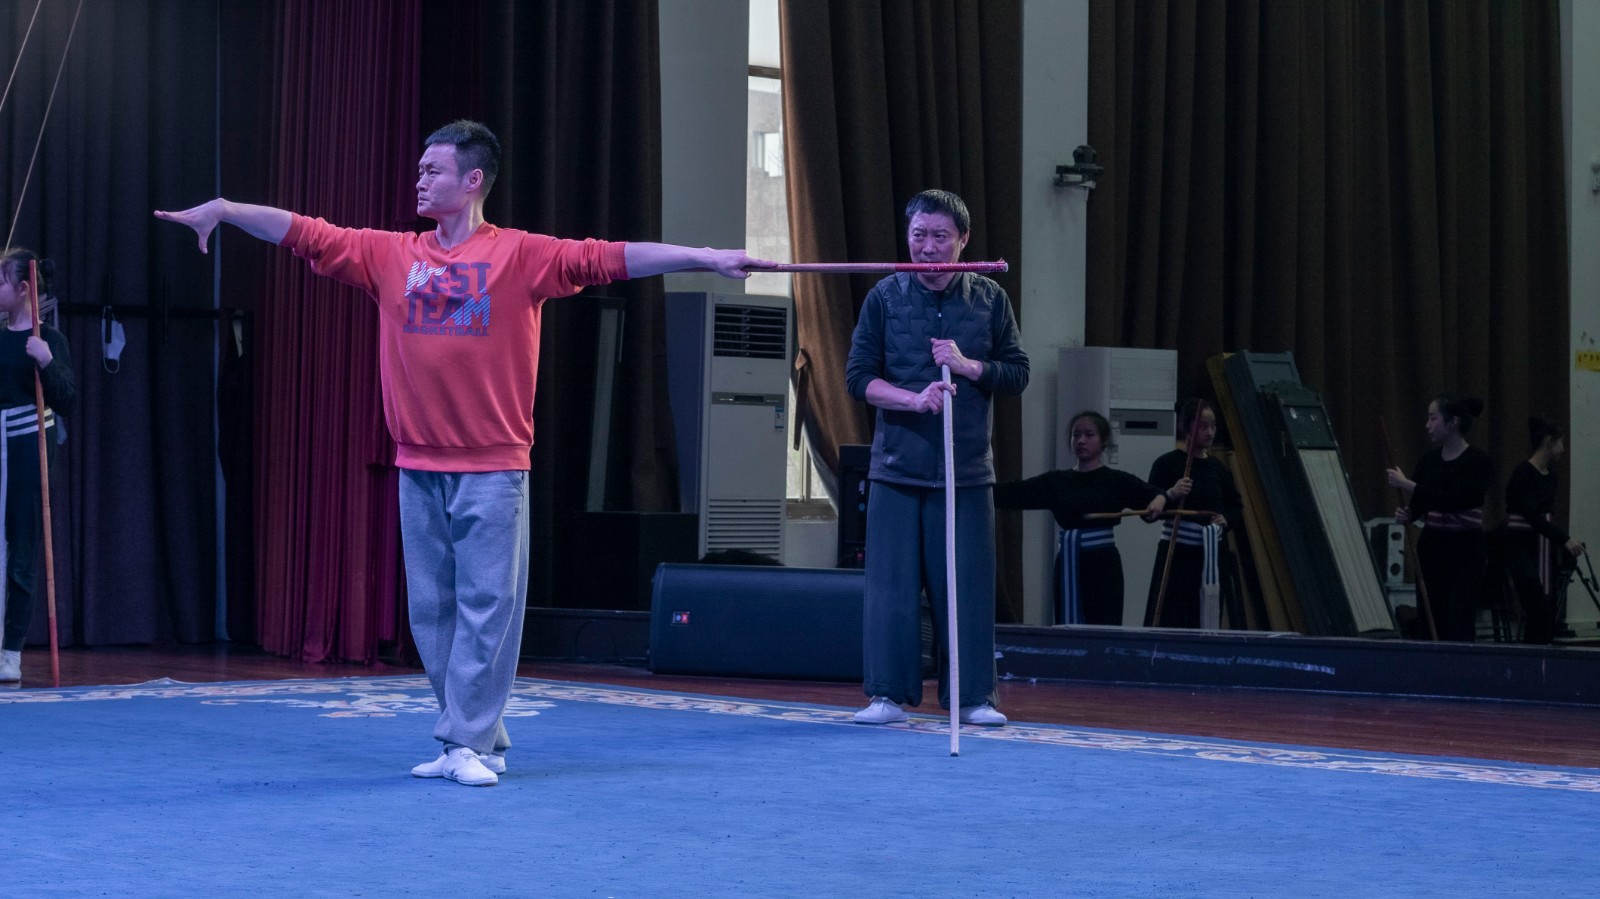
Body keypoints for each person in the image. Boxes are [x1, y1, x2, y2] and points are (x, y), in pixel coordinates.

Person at [156, 120, 769, 785]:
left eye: (434, 170)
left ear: (473, 180)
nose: (419, 179)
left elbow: (612, 257)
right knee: (433, 612)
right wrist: (226, 210)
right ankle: (479, 738)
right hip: (417, 463)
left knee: (487, 606)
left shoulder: (521, 255)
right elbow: (306, 232)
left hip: (492, 464)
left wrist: (706, 257)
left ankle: (463, 741)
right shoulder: (391, 254)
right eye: (419, 169)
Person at [844, 189, 1029, 727]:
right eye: (918, 236)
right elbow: (858, 378)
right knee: (891, 591)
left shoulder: (990, 298)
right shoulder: (884, 296)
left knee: (966, 590)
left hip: (964, 472)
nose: (927, 248)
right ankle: (885, 695)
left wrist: (970, 367)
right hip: (896, 469)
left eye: (940, 237)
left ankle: (973, 698)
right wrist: (913, 400)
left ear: (963, 240)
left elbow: (1017, 373)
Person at [994, 410, 1190, 626]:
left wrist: (1164, 497)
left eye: (1089, 435)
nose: (1081, 440)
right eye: (1076, 435)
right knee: (1067, 625)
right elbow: (1015, 492)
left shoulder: (1116, 481)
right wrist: (978, 489)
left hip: (1103, 565)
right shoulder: (1057, 481)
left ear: (1103, 441)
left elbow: (1151, 496)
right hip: (1069, 562)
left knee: (1104, 625)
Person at [0, 249, 76, 684]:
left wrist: (45, 360)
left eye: (1, 281)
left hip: (30, 447)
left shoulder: (49, 340)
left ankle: (10, 652)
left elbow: (68, 401)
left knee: (22, 550)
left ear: (24, 287)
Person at [1386, 394, 1494, 642]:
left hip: (1466, 550)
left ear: (1452, 422)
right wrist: (1408, 514)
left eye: (1433, 418)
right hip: (1432, 547)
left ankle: (1460, 665)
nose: (1428, 425)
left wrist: (1407, 484)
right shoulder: (1429, 460)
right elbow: (1421, 504)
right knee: (1431, 617)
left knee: (1459, 617)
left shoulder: (1479, 461)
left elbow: (1454, 500)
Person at [1144, 399, 1242, 629]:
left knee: (1205, 617)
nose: (1209, 432)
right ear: (1187, 427)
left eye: (1213, 426)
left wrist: (1226, 519)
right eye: (1202, 426)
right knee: (1170, 616)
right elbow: (1148, 512)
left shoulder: (1217, 468)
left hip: (1210, 555)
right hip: (1176, 554)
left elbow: (1236, 506)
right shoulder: (1167, 464)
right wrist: (1171, 493)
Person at [1501, 416, 1585, 644]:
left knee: (1547, 602)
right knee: (1534, 593)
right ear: (1549, 441)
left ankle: (1541, 646)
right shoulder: (1522, 473)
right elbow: (1532, 515)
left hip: (1542, 544)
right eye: (1561, 442)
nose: (1563, 449)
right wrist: (1564, 539)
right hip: (1520, 542)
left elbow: (1542, 516)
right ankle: (1533, 648)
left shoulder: (1552, 477)